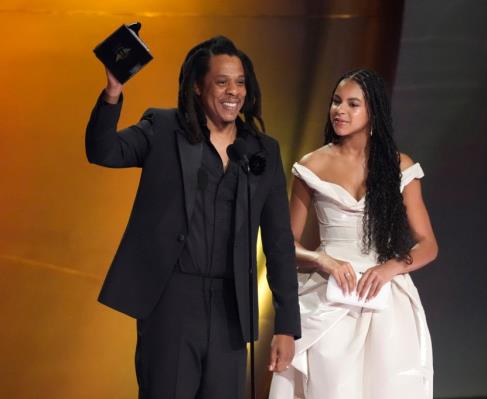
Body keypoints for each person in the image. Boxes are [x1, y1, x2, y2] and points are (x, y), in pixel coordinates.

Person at [85, 36, 300, 399]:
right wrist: (113, 91)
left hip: (232, 308)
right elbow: (103, 151)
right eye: (222, 81)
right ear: (198, 87)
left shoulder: (262, 150)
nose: (234, 91)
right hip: (172, 300)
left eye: (241, 81)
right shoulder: (164, 129)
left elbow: (279, 243)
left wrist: (287, 326)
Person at [268, 69, 438, 399]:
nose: (339, 110)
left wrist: (390, 267)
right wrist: (322, 260)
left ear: (372, 111)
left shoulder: (399, 167)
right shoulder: (312, 165)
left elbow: (428, 244)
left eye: (352, 104)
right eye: (335, 101)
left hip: (387, 302)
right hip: (330, 299)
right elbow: (283, 245)